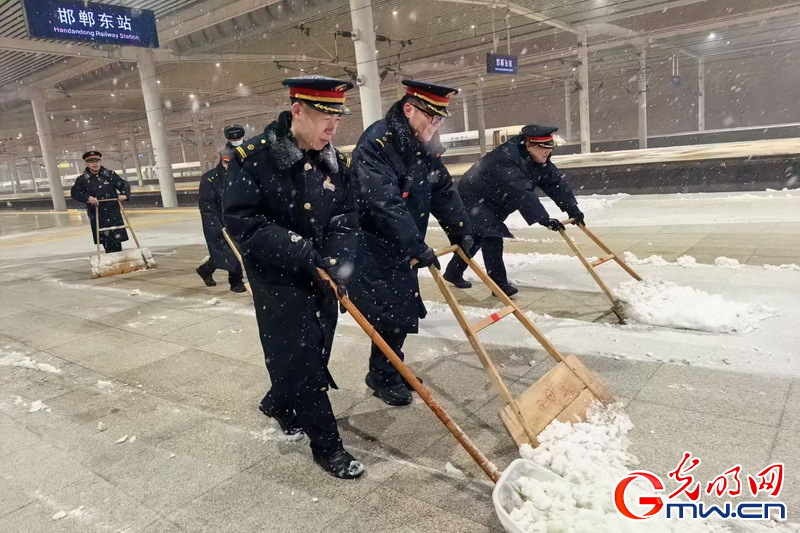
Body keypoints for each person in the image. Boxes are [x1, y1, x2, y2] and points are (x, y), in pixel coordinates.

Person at [223, 76, 363, 479]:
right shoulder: (254, 156)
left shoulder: (334, 160)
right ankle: (327, 445)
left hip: (322, 274)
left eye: (337, 119)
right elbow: (241, 222)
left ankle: (280, 402)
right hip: (278, 278)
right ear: (297, 111)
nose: (332, 128)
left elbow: (345, 216)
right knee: (301, 358)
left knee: (317, 347)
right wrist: (302, 250)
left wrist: (336, 262)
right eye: (324, 118)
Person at [348, 80, 473, 407]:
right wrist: (415, 244)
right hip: (368, 243)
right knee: (389, 312)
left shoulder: (422, 145)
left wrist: (460, 230)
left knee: (402, 310)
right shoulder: (377, 143)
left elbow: (442, 190)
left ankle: (392, 365)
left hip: (399, 244)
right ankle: (381, 375)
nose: (436, 124)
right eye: (431, 116)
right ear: (408, 109)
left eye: (440, 119)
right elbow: (384, 201)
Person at [443, 125, 584, 296]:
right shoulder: (506, 159)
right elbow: (521, 191)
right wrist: (544, 219)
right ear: (528, 144)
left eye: (550, 148)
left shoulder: (537, 159)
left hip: (494, 200)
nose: (547, 153)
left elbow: (555, 182)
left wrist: (572, 208)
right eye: (542, 148)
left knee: (477, 238)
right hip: (473, 198)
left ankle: (453, 272)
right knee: (493, 237)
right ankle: (499, 285)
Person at [196, 149, 246, 293]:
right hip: (218, 223)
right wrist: (217, 225)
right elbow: (207, 206)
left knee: (229, 252)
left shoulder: (241, 176)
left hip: (237, 220)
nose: (229, 166)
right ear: (221, 162)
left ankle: (205, 270)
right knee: (230, 252)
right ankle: (236, 282)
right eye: (226, 163)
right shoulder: (209, 179)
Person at [70, 150, 131, 253]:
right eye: (91, 161)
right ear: (86, 163)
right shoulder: (82, 179)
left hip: (113, 212)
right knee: (105, 240)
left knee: (116, 239)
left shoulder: (110, 175)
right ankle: (111, 260)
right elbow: (75, 193)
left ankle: (118, 259)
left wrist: (124, 194)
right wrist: (88, 197)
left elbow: (124, 184)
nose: (95, 163)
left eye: (97, 160)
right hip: (97, 214)